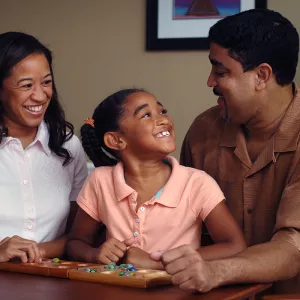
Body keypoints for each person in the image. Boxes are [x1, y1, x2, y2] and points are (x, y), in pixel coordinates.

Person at [150, 8, 300, 294]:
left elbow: (294, 247)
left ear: (262, 75)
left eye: (221, 72)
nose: (210, 82)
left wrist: (216, 270)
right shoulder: (203, 131)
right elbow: (182, 227)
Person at [66, 88, 246, 269]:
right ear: (116, 140)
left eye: (162, 111)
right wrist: (95, 253)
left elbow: (235, 246)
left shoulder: (197, 183)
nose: (163, 119)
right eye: (146, 115)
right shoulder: (100, 181)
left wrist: (159, 262)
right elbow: (76, 242)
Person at [0, 32, 88, 264]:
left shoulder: (67, 143)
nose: (40, 95)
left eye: (46, 82)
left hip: (52, 280)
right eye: (26, 85)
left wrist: (37, 251)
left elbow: (78, 237)